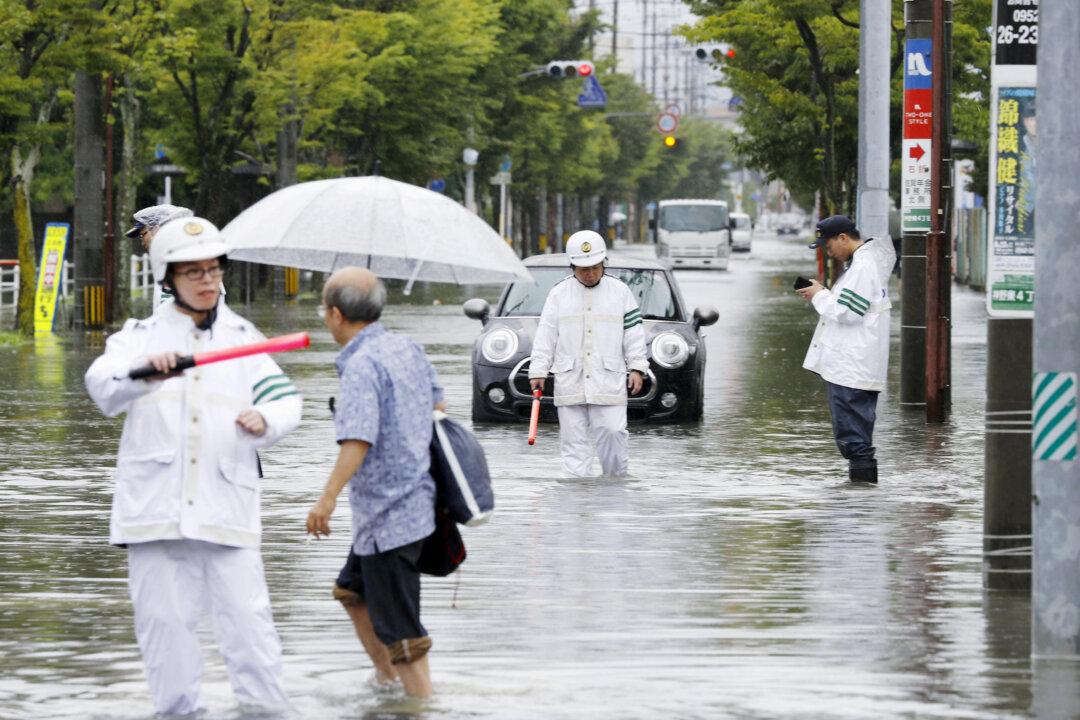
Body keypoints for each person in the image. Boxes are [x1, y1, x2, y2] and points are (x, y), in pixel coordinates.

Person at [85, 216, 302, 715]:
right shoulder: (137, 337)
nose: (207, 281)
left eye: (213, 270)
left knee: (252, 639)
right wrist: (146, 375)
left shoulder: (244, 338)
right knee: (168, 647)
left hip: (227, 512)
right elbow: (103, 387)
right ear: (168, 277)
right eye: (194, 272)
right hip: (153, 518)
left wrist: (264, 418)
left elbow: (286, 400)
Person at [305, 267, 444, 698]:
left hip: (390, 519)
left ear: (335, 314)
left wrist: (325, 499)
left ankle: (421, 705)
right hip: (410, 506)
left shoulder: (363, 366)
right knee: (351, 591)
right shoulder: (406, 347)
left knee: (406, 636)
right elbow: (438, 403)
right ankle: (388, 683)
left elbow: (357, 441)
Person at [528, 230, 649, 477]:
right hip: (570, 379)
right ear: (572, 267)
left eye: (595, 267)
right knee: (574, 446)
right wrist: (538, 370)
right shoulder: (558, 294)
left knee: (614, 434)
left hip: (609, 379)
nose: (590, 273)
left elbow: (634, 333)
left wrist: (637, 367)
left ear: (603, 263)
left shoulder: (621, 292)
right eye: (583, 269)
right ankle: (577, 502)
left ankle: (615, 496)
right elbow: (546, 335)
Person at [796, 215, 896, 484]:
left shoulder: (863, 266)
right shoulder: (864, 264)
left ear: (843, 238)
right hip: (856, 362)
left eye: (828, 247)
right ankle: (860, 505)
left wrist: (818, 293)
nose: (829, 253)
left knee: (854, 440)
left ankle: (859, 507)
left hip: (852, 365)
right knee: (856, 436)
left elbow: (847, 310)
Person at [124, 204, 195, 306]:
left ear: (157, 230)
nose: (142, 243)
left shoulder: (183, 267)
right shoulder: (169, 265)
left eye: (141, 236)